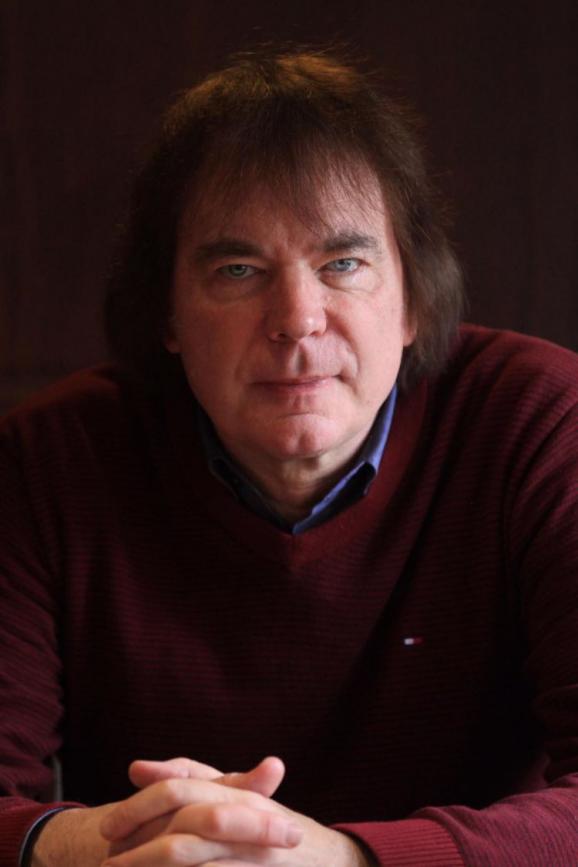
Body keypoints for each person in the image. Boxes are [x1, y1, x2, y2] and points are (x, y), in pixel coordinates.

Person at [0, 48, 577, 867]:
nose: (297, 318)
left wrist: (344, 858)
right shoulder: (47, 461)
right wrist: (116, 845)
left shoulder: (541, 424)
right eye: (239, 269)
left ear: (413, 299)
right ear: (167, 315)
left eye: (343, 264)